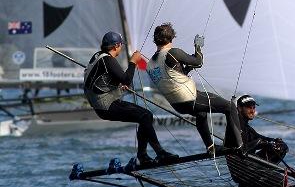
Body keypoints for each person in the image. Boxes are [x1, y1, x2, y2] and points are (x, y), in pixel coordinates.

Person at [84, 31, 178, 166]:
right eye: (121, 45)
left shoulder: (98, 56)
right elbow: (127, 80)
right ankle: (158, 153)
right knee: (145, 116)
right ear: (116, 46)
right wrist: (133, 62)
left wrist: (116, 86)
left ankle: (144, 155)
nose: (121, 48)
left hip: (102, 105)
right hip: (106, 106)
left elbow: (99, 80)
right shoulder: (108, 60)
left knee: (146, 116)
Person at [146, 23, 239, 154]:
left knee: (201, 114)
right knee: (230, 107)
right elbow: (198, 62)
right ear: (172, 37)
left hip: (177, 105)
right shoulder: (173, 53)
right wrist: (198, 46)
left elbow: (172, 76)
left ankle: (211, 147)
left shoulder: (149, 64)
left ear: (155, 39)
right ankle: (238, 146)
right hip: (190, 98)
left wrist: (185, 68)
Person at [225, 94, 288, 187]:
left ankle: (252, 185)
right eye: (249, 107)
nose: (253, 110)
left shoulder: (247, 127)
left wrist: (274, 141)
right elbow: (243, 149)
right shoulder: (234, 126)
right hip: (241, 171)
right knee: (281, 181)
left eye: (254, 107)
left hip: (252, 166)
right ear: (239, 108)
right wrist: (260, 143)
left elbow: (261, 138)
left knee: (281, 148)